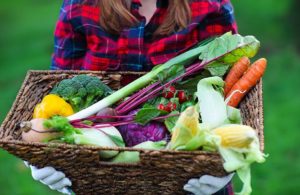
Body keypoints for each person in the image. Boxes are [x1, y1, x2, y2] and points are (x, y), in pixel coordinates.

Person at [28, 0, 238, 194]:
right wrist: (44, 152)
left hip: (192, 177)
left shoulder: (210, 5)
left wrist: (230, 158)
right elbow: (55, 94)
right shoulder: (79, 6)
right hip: (99, 179)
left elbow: (234, 91)